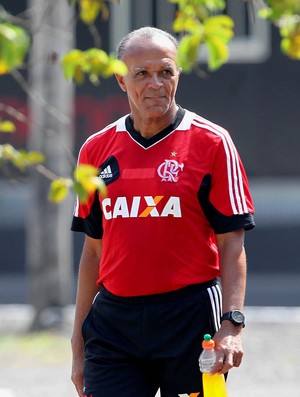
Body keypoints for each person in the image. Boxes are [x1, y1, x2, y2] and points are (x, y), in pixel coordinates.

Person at [71, 26, 255, 397]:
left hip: (189, 320)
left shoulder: (212, 142)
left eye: (165, 72)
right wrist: (78, 342)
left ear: (178, 76)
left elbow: (232, 244)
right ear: (122, 79)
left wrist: (231, 326)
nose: (155, 83)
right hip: (114, 325)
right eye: (142, 73)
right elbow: (93, 251)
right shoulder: (95, 150)